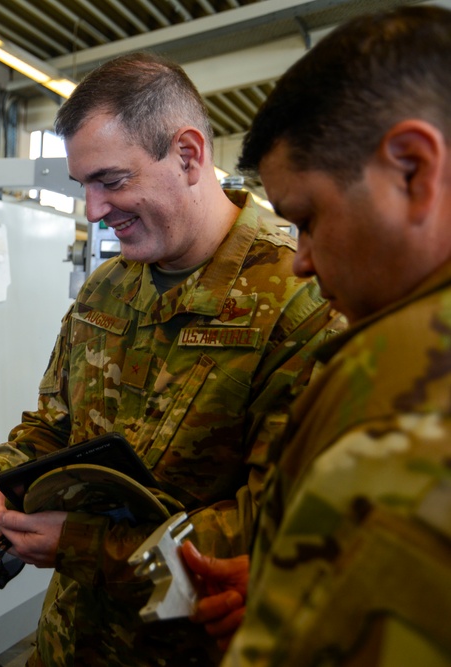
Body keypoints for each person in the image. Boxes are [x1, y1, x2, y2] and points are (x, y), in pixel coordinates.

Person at [0, 51, 342, 666]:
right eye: (83, 186)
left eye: (112, 181)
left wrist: (86, 545)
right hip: (70, 642)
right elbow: (53, 430)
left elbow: (277, 523)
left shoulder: (300, 300)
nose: (93, 210)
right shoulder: (108, 288)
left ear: (189, 155)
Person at [182, 6, 451, 665]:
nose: (299, 258)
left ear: (411, 171)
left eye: (306, 218)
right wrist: (295, 575)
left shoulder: (393, 395)